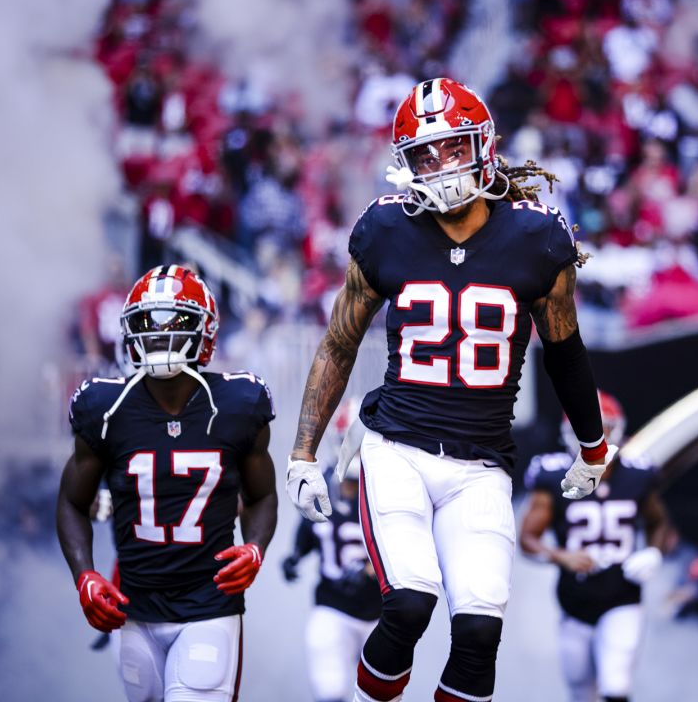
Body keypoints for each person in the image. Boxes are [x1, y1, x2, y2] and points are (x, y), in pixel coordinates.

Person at [285, 76, 615, 702]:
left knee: (479, 634)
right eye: (424, 155)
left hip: (481, 463)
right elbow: (338, 341)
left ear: (484, 146)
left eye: (453, 148)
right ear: (403, 164)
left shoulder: (537, 237)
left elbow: (565, 352)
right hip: (397, 449)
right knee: (409, 605)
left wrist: (594, 447)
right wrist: (304, 452)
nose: (440, 167)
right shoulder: (384, 229)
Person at [56, 264, 279, 702]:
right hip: (135, 611)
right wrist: (84, 576)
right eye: (146, 324)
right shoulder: (105, 407)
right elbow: (70, 502)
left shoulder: (237, 403)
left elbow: (263, 495)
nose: (158, 338)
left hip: (207, 606)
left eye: (176, 324)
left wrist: (256, 547)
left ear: (206, 332)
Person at [519, 390, 676, 702]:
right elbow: (527, 538)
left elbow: (660, 523)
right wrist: (559, 556)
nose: (591, 438)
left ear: (616, 430)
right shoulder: (553, 477)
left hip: (622, 596)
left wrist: (654, 553)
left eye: (600, 429)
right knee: (581, 692)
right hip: (574, 604)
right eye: (583, 430)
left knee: (615, 685)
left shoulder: (637, 476)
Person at [281, 397, 383, 702]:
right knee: (330, 690)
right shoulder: (323, 482)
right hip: (332, 606)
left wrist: (368, 568)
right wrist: (296, 555)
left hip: (381, 613)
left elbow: (409, 546)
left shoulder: (389, 489)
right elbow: (310, 529)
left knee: (379, 696)